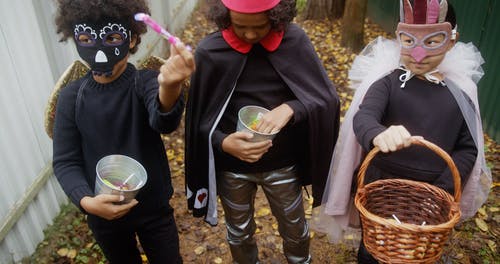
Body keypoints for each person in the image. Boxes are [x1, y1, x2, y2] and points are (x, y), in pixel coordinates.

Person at [313, 0, 492, 263]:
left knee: (419, 251)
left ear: (452, 40)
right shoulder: (387, 82)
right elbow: (365, 116)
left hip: (433, 190)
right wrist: (378, 133)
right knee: (374, 247)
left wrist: (442, 191)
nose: (418, 54)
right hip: (380, 187)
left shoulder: (462, 92)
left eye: (431, 42)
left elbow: (468, 147)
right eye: (408, 41)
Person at [184, 0, 340, 263]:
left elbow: (325, 98)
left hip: (283, 164)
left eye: (260, 26)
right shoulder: (210, 51)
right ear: (225, 16)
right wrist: (223, 143)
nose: (250, 35)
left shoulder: (294, 40)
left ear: (277, 17)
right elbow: (198, 119)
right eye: (240, 26)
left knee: (295, 230)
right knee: (239, 233)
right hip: (232, 168)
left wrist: (292, 107)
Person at [52, 0, 195, 263]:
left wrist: (170, 86)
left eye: (112, 37)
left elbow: (163, 120)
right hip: (103, 216)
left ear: (131, 38)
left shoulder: (146, 82)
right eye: (85, 37)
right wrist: (86, 201)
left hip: (154, 211)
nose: (99, 50)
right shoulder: (71, 98)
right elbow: (65, 161)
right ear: (74, 37)